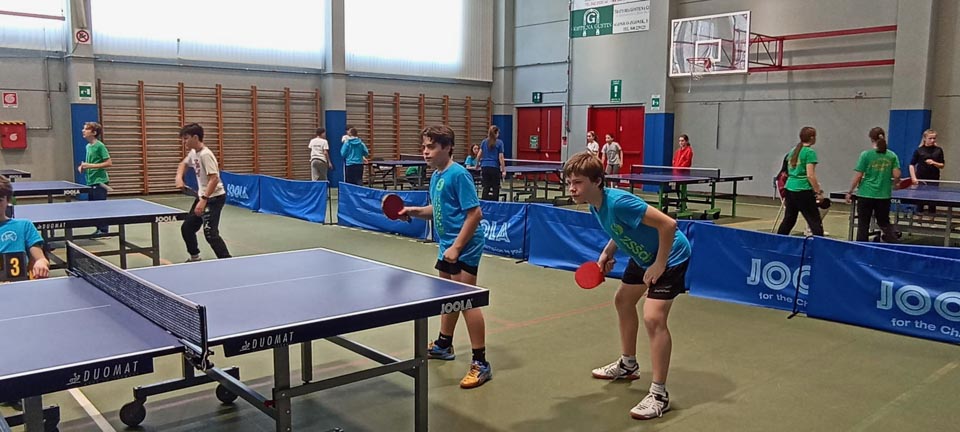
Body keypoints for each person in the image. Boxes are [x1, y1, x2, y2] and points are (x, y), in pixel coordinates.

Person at [562, 151, 690, 420]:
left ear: (597, 181)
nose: (572, 188)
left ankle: (659, 394)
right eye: (569, 182)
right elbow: (619, 230)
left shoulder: (619, 202)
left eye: (578, 182)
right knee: (623, 301)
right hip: (643, 255)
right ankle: (628, 365)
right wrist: (608, 252)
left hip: (670, 254)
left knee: (653, 318)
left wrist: (659, 265)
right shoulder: (595, 204)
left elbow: (669, 225)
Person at [399, 125, 491, 389]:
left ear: (447, 147)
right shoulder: (436, 176)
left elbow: (475, 214)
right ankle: (443, 344)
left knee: (467, 301)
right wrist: (415, 211)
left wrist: (457, 248)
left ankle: (481, 362)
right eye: (424, 147)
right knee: (448, 298)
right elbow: (438, 208)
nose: (425, 152)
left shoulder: (458, 174)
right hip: (447, 244)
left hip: (465, 244)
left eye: (431, 147)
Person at [0, 175, 50, 410]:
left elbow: (39, 255)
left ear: (7, 201)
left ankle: (14, 389)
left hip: (18, 299)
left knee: (18, 346)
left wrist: (41, 262)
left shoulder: (23, 226)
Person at [174, 123, 231, 262]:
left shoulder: (206, 155)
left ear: (195, 137)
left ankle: (227, 261)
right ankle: (195, 257)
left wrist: (204, 199)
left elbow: (214, 178)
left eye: (186, 138)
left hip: (214, 198)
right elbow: (183, 164)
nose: (184, 142)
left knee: (210, 233)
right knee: (187, 228)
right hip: (203, 197)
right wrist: (179, 177)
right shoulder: (193, 153)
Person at [845, 127, 901, 242]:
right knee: (884, 222)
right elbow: (897, 175)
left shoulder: (866, 155)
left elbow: (858, 176)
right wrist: (896, 184)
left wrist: (850, 191)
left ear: (871, 139)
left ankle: (861, 248)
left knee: (863, 224)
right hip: (883, 195)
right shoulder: (892, 155)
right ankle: (894, 244)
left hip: (866, 194)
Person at [776, 127, 825, 236]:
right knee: (814, 221)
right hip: (803, 190)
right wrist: (818, 192)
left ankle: (778, 240)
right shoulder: (810, 152)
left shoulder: (793, 151)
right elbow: (810, 175)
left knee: (789, 219)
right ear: (812, 138)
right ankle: (820, 243)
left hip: (790, 188)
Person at [77, 121, 113, 236]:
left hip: (100, 181)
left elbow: (109, 163)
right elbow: (90, 162)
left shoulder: (100, 146)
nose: (83, 131)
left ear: (94, 133)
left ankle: (104, 231)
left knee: (100, 207)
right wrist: (83, 167)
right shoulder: (88, 146)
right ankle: (99, 229)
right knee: (93, 207)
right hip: (90, 180)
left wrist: (90, 166)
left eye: (86, 129)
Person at [909, 129, 946, 222]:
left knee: (932, 201)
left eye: (934, 138)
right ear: (925, 138)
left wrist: (934, 162)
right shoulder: (919, 150)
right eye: (930, 138)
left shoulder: (938, 150)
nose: (932, 140)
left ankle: (931, 220)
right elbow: (911, 165)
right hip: (921, 179)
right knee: (920, 200)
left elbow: (942, 165)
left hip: (934, 179)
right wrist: (914, 178)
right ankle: (919, 220)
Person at [476, 125, 506, 201]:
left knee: (486, 186)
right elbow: (501, 157)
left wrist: (477, 165)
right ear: (496, 133)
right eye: (498, 133)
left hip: (484, 167)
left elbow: (479, 155)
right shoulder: (499, 143)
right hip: (494, 167)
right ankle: (495, 203)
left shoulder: (484, 142)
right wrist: (503, 170)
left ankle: (484, 204)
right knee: (495, 187)